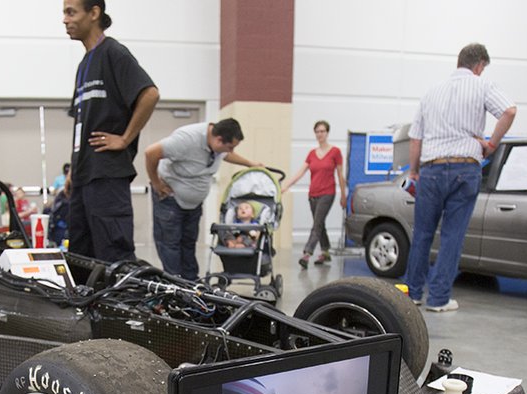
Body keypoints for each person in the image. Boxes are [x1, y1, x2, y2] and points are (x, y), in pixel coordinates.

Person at [405, 43, 516, 312]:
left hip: (430, 170)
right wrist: (491, 143)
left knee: (421, 235)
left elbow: (415, 139)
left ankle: (413, 295)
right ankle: (439, 299)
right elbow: (509, 111)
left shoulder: (431, 93)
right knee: (452, 236)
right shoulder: (482, 86)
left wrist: (414, 173)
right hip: (464, 169)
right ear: (479, 65)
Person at [63, 0, 159, 263]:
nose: (65, 20)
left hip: (107, 174)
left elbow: (149, 94)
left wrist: (125, 138)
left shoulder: (114, 53)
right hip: (84, 176)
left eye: (71, 12)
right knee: (80, 256)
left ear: (94, 13)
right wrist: (74, 168)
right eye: (64, 13)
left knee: (113, 256)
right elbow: (82, 122)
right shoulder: (83, 65)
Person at [145, 119, 262, 279]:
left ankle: (191, 284)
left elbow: (227, 155)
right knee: (170, 244)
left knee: (188, 243)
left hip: (193, 204)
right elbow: (151, 152)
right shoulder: (186, 139)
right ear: (219, 139)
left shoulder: (218, 144)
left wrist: (250, 164)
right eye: (230, 147)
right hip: (170, 200)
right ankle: (174, 284)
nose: (231, 151)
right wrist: (156, 183)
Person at [280, 120, 347, 269]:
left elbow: (340, 175)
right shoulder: (311, 154)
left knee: (316, 224)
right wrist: (285, 186)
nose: (320, 134)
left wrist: (343, 196)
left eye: (322, 131)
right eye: (317, 131)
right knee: (320, 223)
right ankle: (325, 251)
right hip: (313, 194)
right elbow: (300, 172)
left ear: (327, 133)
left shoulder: (335, 152)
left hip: (328, 193)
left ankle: (307, 253)